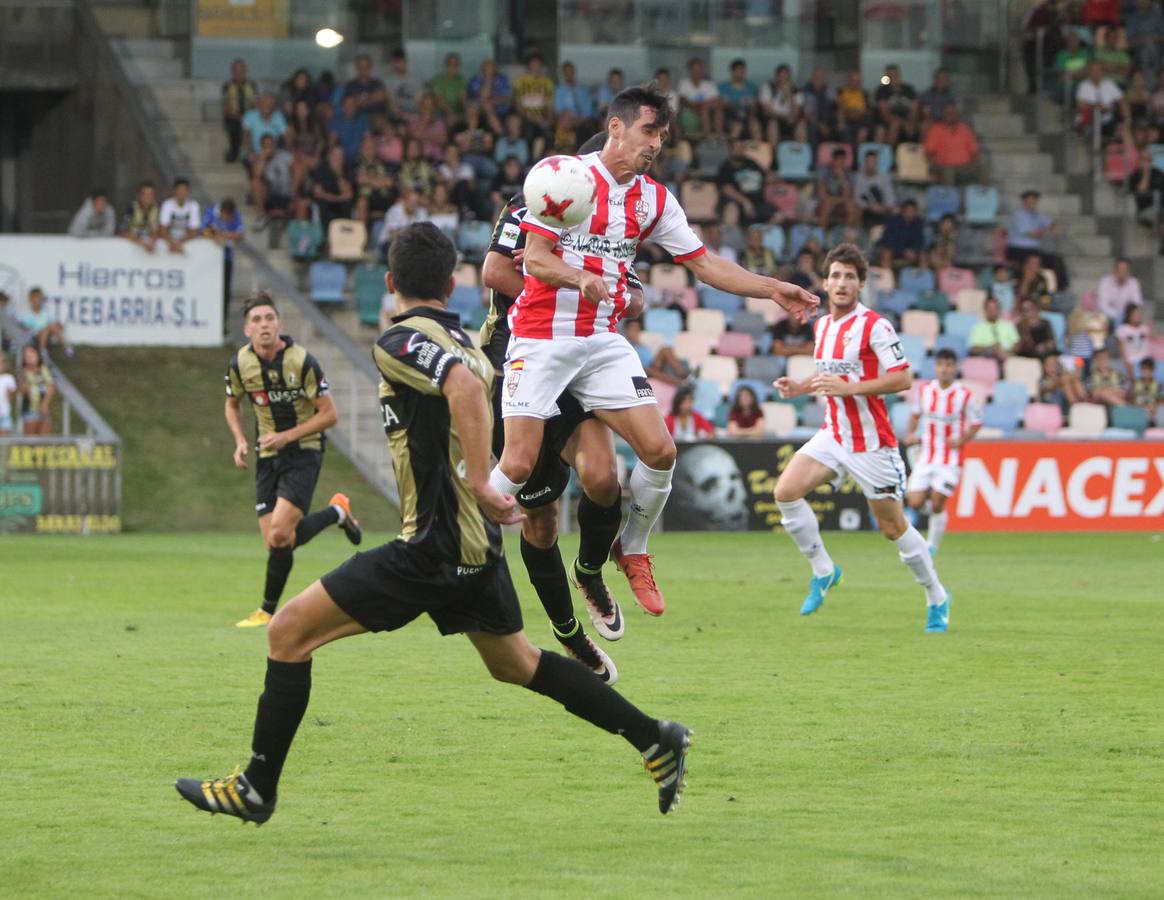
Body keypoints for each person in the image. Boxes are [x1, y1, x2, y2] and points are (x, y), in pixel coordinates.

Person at [176, 223, 693, 824]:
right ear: (453, 283)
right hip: (477, 547)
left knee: (286, 634)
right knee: (515, 663)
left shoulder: (399, 339)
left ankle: (256, 789)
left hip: (431, 545)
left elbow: (464, 387)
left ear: (390, 282)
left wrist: (480, 478)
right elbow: (471, 380)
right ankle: (655, 737)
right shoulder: (470, 340)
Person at [491, 85, 818, 616]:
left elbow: (706, 265)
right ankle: (450, 534)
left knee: (662, 451)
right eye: (649, 131)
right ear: (615, 126)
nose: (656, 145)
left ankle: (633, 547)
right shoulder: (564, 177)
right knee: (518, 464)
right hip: (542, 335)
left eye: (662, 136)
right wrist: (580, 277)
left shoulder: (654, 199)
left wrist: (771, 287)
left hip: (600, 341)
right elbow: (534, 261)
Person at [479, 141, 636, 679]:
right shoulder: (532, 203)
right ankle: (571, 636)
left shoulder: (616, 223)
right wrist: (555, 286)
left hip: (580, 358)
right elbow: (495, 272)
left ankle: (590, 572)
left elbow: (630, 296)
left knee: (601, 475)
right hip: (522, 355)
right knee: (540, 517)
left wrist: (612, 291)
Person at [773, 243, 953, 633]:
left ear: (860, 285)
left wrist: (850, 388)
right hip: (833, 434)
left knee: (892, 527)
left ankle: (936, 595)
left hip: (872, 443)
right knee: (785, 492)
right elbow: (830, 379)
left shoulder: (876, 326)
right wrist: (800, 387)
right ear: (824, 282)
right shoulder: (822, 325)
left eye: (850, 277)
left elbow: (903, 378)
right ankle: (824, 570)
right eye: (835, 275)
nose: (841, 283)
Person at [224, 291, 363, 629]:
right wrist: (240, 440)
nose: (264, 325)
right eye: (256, 320)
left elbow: (329, 415)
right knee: (276, 541)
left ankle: (267, 612)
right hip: (267, 455)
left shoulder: (302, 362)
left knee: (280, 535)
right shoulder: (241, 364)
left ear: (279, 324)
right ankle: (338, 512)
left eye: (269, 318)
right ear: (247, 329)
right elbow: (232, 403)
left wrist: (287, 436)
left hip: (304, 450)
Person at [904, 348, 981, 554]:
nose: (944, 369)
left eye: (948, 365)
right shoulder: (925, 390)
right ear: (935, 367)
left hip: (950, 459)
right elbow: (915, 415)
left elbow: (976, 423)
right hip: (926, 456)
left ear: (955, 368)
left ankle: (931, 545)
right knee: (915, 501)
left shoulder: (965, 396)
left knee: (938, 501)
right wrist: (910, 433)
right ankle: (935, 515)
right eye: (940, 365)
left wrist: (961, 440)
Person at [1005, 190, 1068, 289]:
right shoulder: (1018, 215)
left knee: (1057, 260)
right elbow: (1033, 234)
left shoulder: (1038, 215)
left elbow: (1052, 224)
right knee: (1032, 262)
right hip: (1017, 249)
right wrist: (1048, 230)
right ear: (1024, 201)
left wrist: (1054, 227)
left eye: (1034, 200)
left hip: (1033, 250)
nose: (1032, 202)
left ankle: (1061, 288)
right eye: (1029, 200)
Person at [203, 197, 245, 331]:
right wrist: (214, 235)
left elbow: (240, 234)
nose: (227, 220)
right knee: (209, 290)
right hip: (209, 259)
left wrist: (223, 235)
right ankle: (208, 321)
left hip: (226, 258)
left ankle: (223, 324)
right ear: (221, 212)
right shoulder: (211, 212)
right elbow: (202, 230)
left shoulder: (235, 214)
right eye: (225, 217)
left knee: (225, 292)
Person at [922, 102, 981, 185]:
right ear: (943, 114)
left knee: (983, 169)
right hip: (944, 167)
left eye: (953, 113)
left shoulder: (965, 129)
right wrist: (933, 165)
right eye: (947, 113)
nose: (950, 115)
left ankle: (982, 197)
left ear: (957, 114)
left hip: (964, 167)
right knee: (949, 172)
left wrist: (975, 163)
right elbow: (928, 153)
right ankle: (950, 197)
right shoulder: (936, 130)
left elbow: (974, 151)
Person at [717, 139, 773, 225]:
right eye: (737, 148)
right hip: (736, 202)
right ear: (731, 151)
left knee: (779, 215)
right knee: (731, 210)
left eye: (741, 148)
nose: (739, 150)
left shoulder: (752, 163)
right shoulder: (725, 168)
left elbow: (765, 177)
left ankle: (761, 235)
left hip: (758, 201)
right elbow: (726, 189)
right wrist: (745, 202)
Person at [241, 93, 290, 172]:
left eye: (270, 104)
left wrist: (289, 150)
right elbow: (246, 137)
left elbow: (287, 136)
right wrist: (250, 152)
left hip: (272, 152)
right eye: (265, 103)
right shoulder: (249, 115)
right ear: (259, 104)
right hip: (253, 152)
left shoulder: (278, 116)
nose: (268, 106)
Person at [310, 146, 354, 232]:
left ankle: (345, 236)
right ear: (329, 156)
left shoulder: (347, 168)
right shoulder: (321, 168)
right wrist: (338, 199)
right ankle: (326, 238)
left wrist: (338, 174)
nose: (338, 158)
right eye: (335, 155)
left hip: (341, 203)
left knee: (347, 205)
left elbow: (348, 193)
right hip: (326, 201)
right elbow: (318, 193)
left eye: (340, 156)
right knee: (324, 205)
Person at [19, 286, 73, 357]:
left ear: (42, 300)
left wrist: (58, 325)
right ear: (30, 300)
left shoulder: (46, 312)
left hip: (46, 335)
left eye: (38, 298)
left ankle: (68, 348)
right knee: (46, 327)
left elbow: (56, 325)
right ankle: (42, 350)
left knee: (50, 327)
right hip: (31, 336)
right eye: (34, 298)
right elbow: (22, 327)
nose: (36, 301)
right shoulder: (25, 314)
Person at [873, 63, 919, 146]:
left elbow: (914, 108)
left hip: (907, 119)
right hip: (889, 121)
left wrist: (911, 121)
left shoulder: (909, 89)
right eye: (890, 75)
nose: (893, 77)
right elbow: (884, 112)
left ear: (899, 75)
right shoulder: (881, 90)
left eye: (895, 75)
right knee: (895, 125)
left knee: (919, 126)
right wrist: (902, 122)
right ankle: (890, 153)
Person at [222, 59, 257, 163]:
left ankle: (246, 154)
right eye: (237, 71)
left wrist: (247, 117)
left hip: (248, 117)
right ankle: (234, 152)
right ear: (233, 72)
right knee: (234, 128)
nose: (239, 74)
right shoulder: (227, 86)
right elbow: (226, 106)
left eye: (242, 71)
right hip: (233, 117)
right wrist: (238, 116)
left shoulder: (252, 85)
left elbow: (254, 104)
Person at [816, 147, 860, 228]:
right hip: (822, 204)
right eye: (839, 161)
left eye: (843, 161)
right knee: (827, 203)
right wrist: (837, 200)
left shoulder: (848, 173)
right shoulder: (823, 171)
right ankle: (822, 236)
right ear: (833, 160)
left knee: (851, 205)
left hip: (840, 204)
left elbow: (847, 195)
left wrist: (842, 178)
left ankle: (847, 236)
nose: (841, 164)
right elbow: (822, 195)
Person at [678, 58, 723, 137]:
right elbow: (683, 100)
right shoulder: (684, 83)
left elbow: (716, 100)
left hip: (707, 111)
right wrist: (698, 106)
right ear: (690, 70)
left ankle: (718, 135)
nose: (697, 71)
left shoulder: (709, 84)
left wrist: (704, 105)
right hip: (690, 112)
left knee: (716, 109)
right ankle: (706, 134)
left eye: (699, 69)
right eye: (695, 69)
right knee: (704, 108)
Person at [874, 199, 925, 269]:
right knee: (887, 253)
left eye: (913, 211)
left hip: (907, 251)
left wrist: (914, 250)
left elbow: (920, 241)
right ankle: (887, 278)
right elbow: (888, 241)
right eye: (908, 211)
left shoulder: (918, 223)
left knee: (923, 255)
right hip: (889, 248)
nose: (910, 213)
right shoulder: (893, 222)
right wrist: (903, 251)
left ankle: (920, 278)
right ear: (903, 211)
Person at [17, 344, 55, 436]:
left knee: (43, 441)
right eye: (26, 355)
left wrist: (45, 404)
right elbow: (23, 392)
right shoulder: (22, 372)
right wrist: (24, 377)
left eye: (31, 353)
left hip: (44, 410)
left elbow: (51, 386)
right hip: (29, 410)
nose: (29, 357)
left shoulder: (44, 370)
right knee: (30, 440)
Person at [466, 59, 511, 135]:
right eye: (487, 67)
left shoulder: (502, 78)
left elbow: (505, 98)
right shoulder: (475, 79)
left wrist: (491, 102)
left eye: (491, 67)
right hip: (479, 108)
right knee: (473, 108)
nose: (489, 69)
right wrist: (488, 78)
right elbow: (483, 97)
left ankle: (471, 136)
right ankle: (501, 133)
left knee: (487, 105)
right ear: (482, 68)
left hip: (499, 108)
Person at [718, 59, 761, 140]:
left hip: (747, 116)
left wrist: (752, 105)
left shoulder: (752, 87)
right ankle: (733, 150)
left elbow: (755, 109)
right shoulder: (723, 87)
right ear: (732, 72)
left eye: (743, 71)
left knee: (755, 125)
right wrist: (739, 102)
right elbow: (722, 105)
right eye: (738, 71)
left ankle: (756, 150)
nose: (741, 74)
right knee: (737, 126)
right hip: (730, 117)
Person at [854, 149, 897, 227]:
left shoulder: (884, 177)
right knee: (857, 210)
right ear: (865, 163)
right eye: (869, 162)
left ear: (876, 163)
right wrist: (869, 207)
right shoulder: (859, 177)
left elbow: (889, 195)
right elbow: (857, 197)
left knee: (896, 211)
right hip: (866, 209)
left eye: (873, 162)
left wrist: (885, 207)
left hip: (883, 208)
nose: (871, 164)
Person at [159, 177, 202, 252]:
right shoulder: (167, 204)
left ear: (188, 192)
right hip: (170, 240)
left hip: (185, 240)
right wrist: (171, 243)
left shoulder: (193, 205)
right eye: (179, 190)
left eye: (184, 190)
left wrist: (180, 242)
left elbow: (193, 231)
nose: (182, 193)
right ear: (174, 191)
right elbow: (163, 229)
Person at [1096, 257, 1144, 324]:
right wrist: (1118, 316)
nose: (1122, 272)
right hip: (1108, 320)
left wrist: (1126, 316)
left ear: (1129, 271)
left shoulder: (1134, 283)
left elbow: (1136, 303)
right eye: (1119, 269)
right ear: (1114, 270)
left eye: (1124, 269)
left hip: (1128, 319)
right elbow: (1103, 305)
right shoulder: (1105, 282)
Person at [119, 180, 160, 252]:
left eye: (151, 194)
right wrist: (141, 242)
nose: (148, 197)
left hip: (148, 246)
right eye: (146, 194)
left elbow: (156, 230)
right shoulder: (131, 208)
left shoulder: (156, 209)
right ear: (139, 195)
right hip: (131, 248)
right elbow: (123, 231)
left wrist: (153, 241)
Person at [429, 52, 467, 124]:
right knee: (449, 119)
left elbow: (463, 98)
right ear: (446, 65)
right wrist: (450, 113)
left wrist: (467, 112)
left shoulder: (461, 80)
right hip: (441, 111)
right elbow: (439, 99)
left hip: (457, 111)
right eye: (450, 64)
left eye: (456, 64)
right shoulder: (438, 79)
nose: (453, 67)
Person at [1117, 303, 1152, 375]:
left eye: (1139, 313)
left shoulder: (1144, 327)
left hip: (1146, 361)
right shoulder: (1123, 329)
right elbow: (1121, 350)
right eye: (1135, 314)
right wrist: (1127, 364)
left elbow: (1155, 338)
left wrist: (1150, 325)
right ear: (1129, 315)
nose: (1137, 316)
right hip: (1132, 362)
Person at [0, 352, 15, 435]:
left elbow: (12, 399)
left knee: (4, 444)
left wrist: (10, 394)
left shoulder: (9, 378)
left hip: (4, 415)